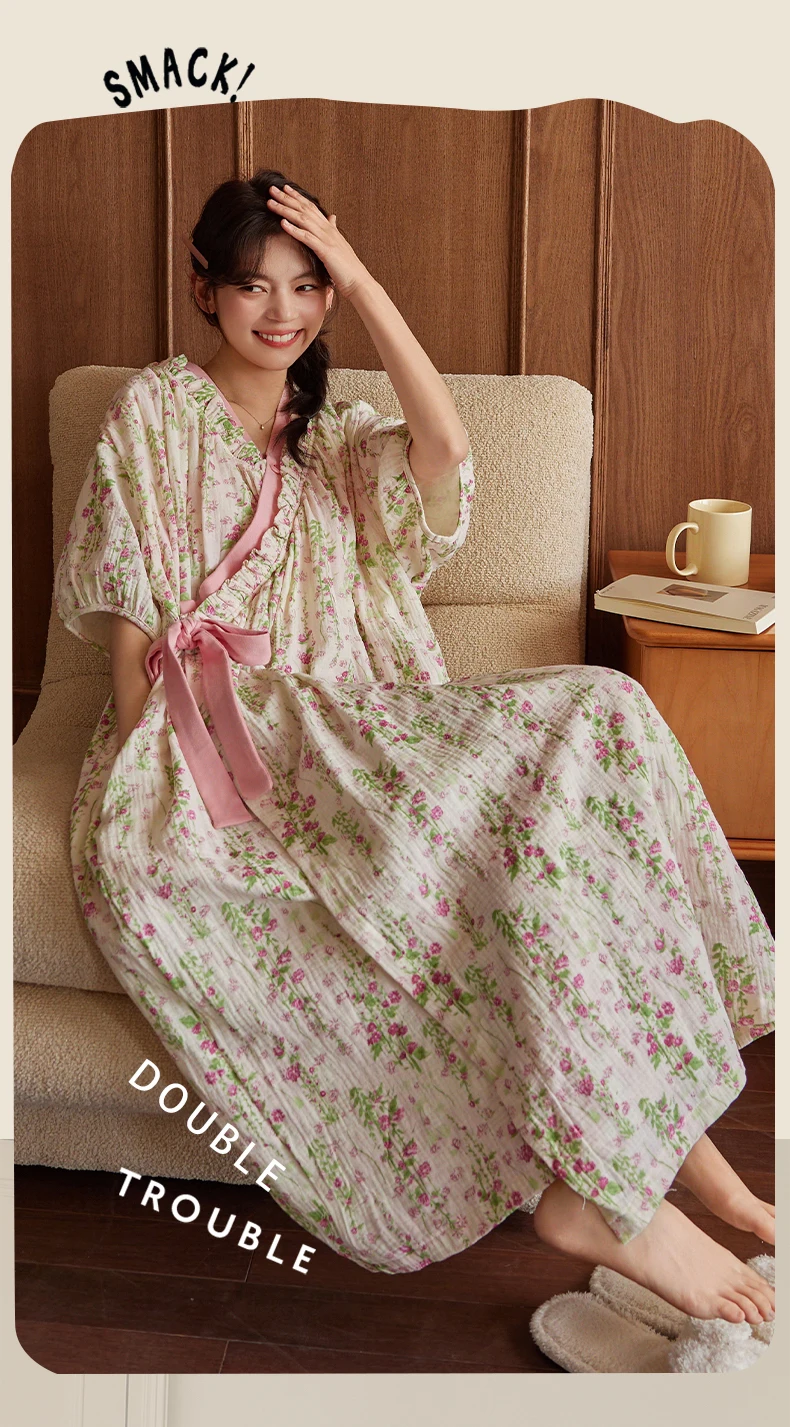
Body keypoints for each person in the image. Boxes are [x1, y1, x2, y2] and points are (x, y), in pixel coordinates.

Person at [54, 168, 775, 1325]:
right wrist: (161, 770)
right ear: (203, 290)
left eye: (307, 287)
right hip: (207, 734)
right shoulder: (153, 410)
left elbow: (443, 449)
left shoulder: (340, 437)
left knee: (602, 711)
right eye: (254, 286)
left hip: (352, 727)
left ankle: (669, 1147)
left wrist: (363, 275)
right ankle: (611, 1197)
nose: (282, 312)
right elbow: (135, 610)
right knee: (464, 850)